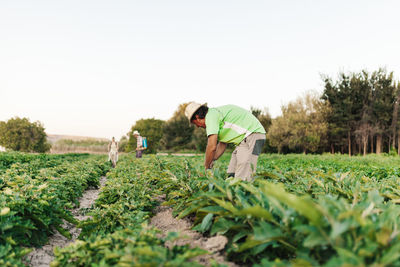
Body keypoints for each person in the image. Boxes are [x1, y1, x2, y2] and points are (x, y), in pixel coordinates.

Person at [185, 102, 266, 182]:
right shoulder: (215, 115)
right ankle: (233, 189)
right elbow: (222, 144)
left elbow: (211, 146)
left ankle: (245, 191)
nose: (198, 126)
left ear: (197, 117)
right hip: (244, 140)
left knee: (244, 173)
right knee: (231, 171)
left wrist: (207, 167)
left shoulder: (211, 116)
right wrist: (212, 160)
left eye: (195, 123)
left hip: (254, 135)